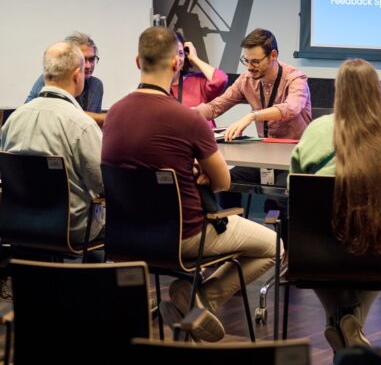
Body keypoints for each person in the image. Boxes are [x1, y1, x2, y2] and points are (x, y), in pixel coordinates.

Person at [101, 26, 279, 342]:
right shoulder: (187, 119)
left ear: (137, 60)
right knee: (275, 247)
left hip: (126, 236)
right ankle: (202, 299)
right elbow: (223, 182)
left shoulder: (115, 113)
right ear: (177, 64)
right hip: (184, 237)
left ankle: (190, 299)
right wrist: (199, 169)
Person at [290, 59, 381, 352]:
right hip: (378, 250)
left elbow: (296, 189)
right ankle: (351, 323)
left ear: (338, 91)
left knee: (324, 261)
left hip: (317, 252)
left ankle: (341, 319)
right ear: (376, 91)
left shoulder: (315, 131)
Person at [196, 28, 312, 218]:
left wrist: (252, 116)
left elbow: (292, 107)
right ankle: (232, 231)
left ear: (273, 55)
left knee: (285, 194)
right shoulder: (246, 80)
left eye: (255, 61)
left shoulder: (295, 79)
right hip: (263, 159)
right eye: (246, 61)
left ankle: (288, 245)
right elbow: (216, 106)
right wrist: (185, 114)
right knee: (223, 183)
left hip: (294, 160)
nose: (249, 67)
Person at [1, 42, 104, 246]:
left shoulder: (13, 120)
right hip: (70, 230)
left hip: (18, 225)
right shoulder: (82, 125)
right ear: (77, 75)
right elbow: (103, 184)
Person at [25, 31, 106, 127]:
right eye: (84, 60)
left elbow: (93, 126)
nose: (88, 66)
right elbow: (49, 114)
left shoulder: (96, 85)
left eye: (92, 59)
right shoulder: (51, 78)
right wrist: (103, 118)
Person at [170, 32, 228, 126]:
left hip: (204, 139)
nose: (177, 59)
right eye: (171, 54)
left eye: (180, 53)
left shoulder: (196, 81)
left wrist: (194, 58)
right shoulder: (155, 89)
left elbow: (221, 79)